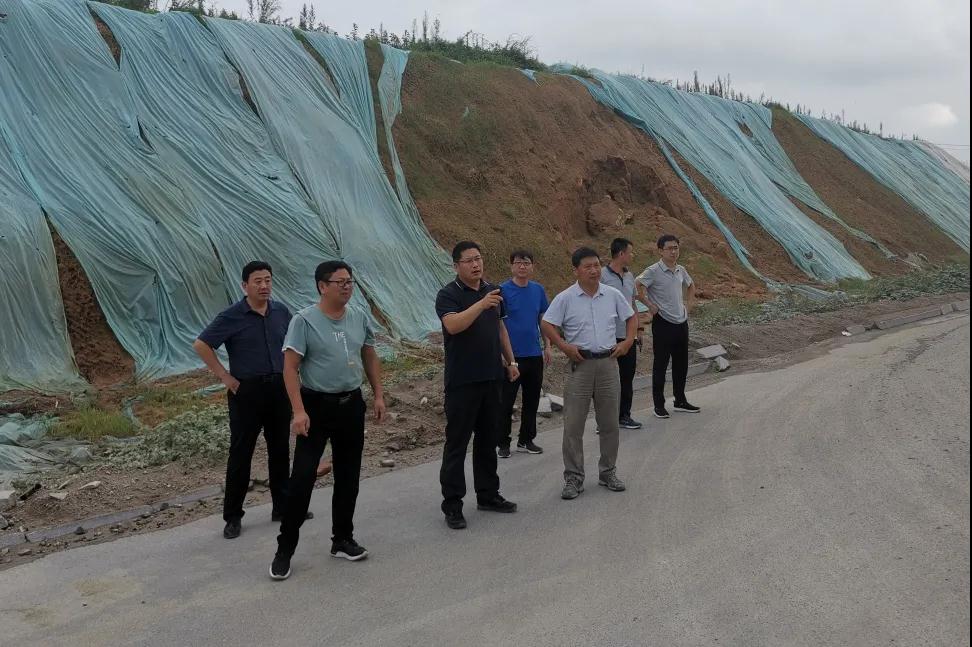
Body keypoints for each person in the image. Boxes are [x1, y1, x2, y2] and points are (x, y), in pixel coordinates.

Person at [269, 261, 386, 580]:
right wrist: (298, 411)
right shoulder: (304, 321)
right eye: (340, 282)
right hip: (316, 406)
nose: (347, 287)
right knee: (303, 478)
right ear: (322, 286)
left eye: (350, 281)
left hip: (351, 404)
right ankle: (285, 550)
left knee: (349, 477)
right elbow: (290, 368)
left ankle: (342, 539)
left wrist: (377, 394)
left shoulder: (359, 317)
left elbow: (369, 354)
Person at [194, 261, 303, 540]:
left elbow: (292, 344)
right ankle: (233, 516)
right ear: (245, 286)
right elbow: (202, 344)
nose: (264, 285)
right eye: (258, 281)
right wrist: (224, 377)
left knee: (280, 449)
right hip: (247, 392)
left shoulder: (280, 312)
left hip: (279, 388)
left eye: (268, 280)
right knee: (241, 453)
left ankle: (281, 507)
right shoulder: (232, 315)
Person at [435, 241, 519, 530]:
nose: (476, 264)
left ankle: (488, 494)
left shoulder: (493, 290)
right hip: (462, 381)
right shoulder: (448, 294)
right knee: (457, 444)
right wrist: (480, 304)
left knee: (487, 441)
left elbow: (499, 327)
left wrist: (511, 362)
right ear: (456, 265)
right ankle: (453, 504)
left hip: (492, 377)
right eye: (469, 260)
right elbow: (453, 326)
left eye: (479, 259)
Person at [541, 247, 636, 500]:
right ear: (576, 270)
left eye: (596, 265)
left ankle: (608, 472)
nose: (594, 270)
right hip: (580, 365)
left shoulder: (612, 294)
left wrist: (627, 342)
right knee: (573, 425)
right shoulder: (565, 298)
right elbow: (547, 323)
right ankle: (573, 478)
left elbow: (631, 316)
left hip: (608, 364)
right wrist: (563, 346)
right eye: (588, 267)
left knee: (609, 424)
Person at [637, 234, 701, 419]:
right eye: (670, 248)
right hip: (663, 323)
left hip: (681, 323)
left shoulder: (681, 270)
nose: (674, 252)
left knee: (681, 364)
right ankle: (659, 405)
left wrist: (688, 306)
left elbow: (691, 286)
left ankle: (680, 400)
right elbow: (637, 286)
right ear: (660, 251)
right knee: (660, 365)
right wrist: (649, 305)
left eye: (676, 248)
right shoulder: (653, 271)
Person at [498, 249, 551, 458]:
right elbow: (497, 324)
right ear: (511, 266)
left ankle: (526, 440)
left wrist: (547, 345)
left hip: (533, 354)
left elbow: (542, 320)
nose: (522, 266)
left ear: (532, 267)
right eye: (518, 262)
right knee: (506, 401)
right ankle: (502, 442)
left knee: (532, 400)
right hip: (512, 357)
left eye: (526, 263)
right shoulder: (501, 291)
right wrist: (503, 355)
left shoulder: (538, 290)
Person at [600, 238, 643, 430]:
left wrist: (638, 329)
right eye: (630, 252)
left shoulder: (629, 276)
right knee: (605, 380)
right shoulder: (601, 276)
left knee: (627, 377)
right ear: (621, 254)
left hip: (628, 335)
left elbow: (632, 304)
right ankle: (604, 420)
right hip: (607, 335)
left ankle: (624, 415)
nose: (632, 256)